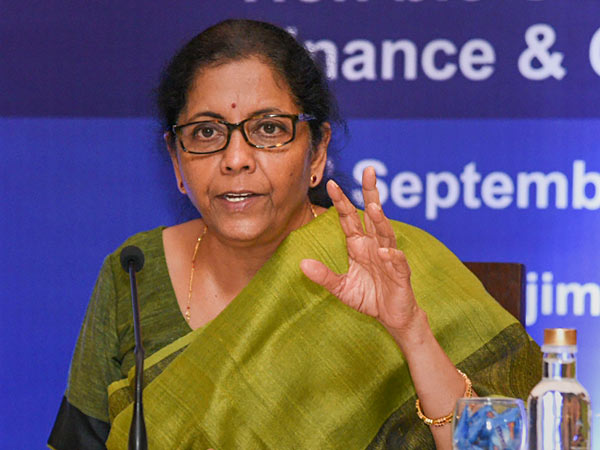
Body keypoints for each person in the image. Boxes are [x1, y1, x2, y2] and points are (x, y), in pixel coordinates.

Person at [48, 19, 541, 450]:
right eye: (206, 132)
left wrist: (412, 333)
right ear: (177, 161)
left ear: (318, 151)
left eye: (268, 129)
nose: (236, 159)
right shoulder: (134, 273)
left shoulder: (396, 266)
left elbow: (501, 447)